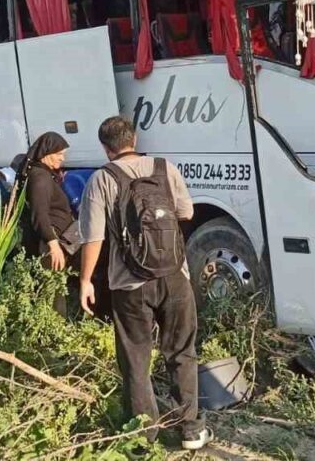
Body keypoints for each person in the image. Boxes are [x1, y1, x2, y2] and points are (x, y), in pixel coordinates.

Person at [77, 116, 211, 451]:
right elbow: (186, 213)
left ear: (105, 147)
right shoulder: (166, 168)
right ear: (133, 139)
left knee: (136, 358)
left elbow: (92, 237)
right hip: (174, 277)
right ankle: (191, 430)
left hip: (129, 285)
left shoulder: (102, 179)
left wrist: (85, 281)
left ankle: (142, 438)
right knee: (182, 352)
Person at [20, 132, 82, 314]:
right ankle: (54, 331)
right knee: (53, 292)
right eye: (59, 154)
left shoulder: (43, 175)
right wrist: (53, 245)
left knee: (54, 288)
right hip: (50, 246)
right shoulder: (40, 178)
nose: (62, 159)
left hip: (53, 242)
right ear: (47, 153)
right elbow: (40, 215)